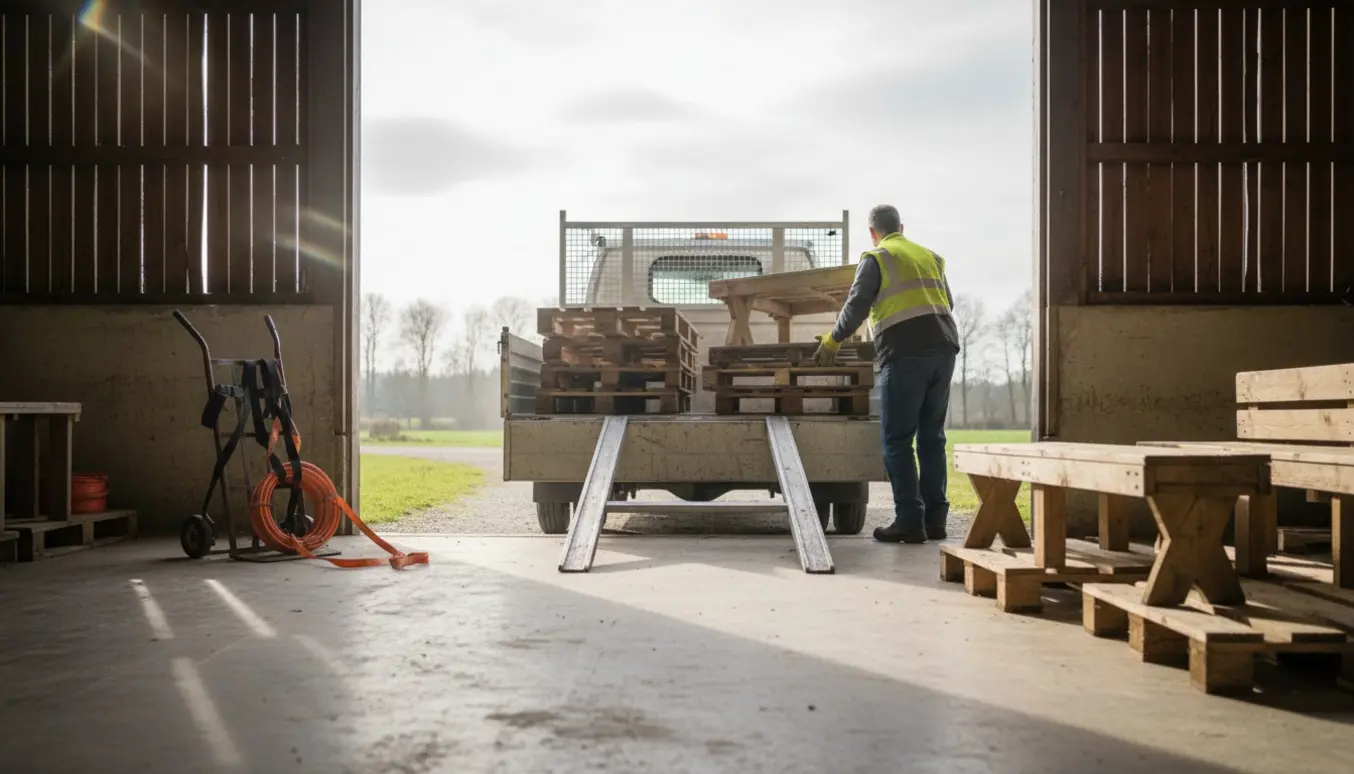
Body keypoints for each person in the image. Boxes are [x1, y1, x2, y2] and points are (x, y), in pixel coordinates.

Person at [813, 204, 959, 544]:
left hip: (907, 355)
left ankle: (910, 520)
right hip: (944, 349)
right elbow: (947, 302)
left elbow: (857, 304)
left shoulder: (877, 257)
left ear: (871, 231)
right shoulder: (931, 257)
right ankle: (935, 521)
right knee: (932, 439)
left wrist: (834, 340)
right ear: (901, 227)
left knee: (897, 439)